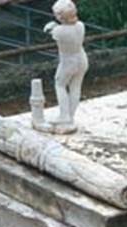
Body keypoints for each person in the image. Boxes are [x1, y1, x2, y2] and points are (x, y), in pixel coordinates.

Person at [44, 0, 88, 130]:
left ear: (60, 16)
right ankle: (70, 116)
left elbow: (51, 31)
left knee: (60, 85)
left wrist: (52, 26)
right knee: (75, 87)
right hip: (82, 58)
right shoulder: (81, 25)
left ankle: (64, 115)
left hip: (68, 61)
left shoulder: (59, 31)